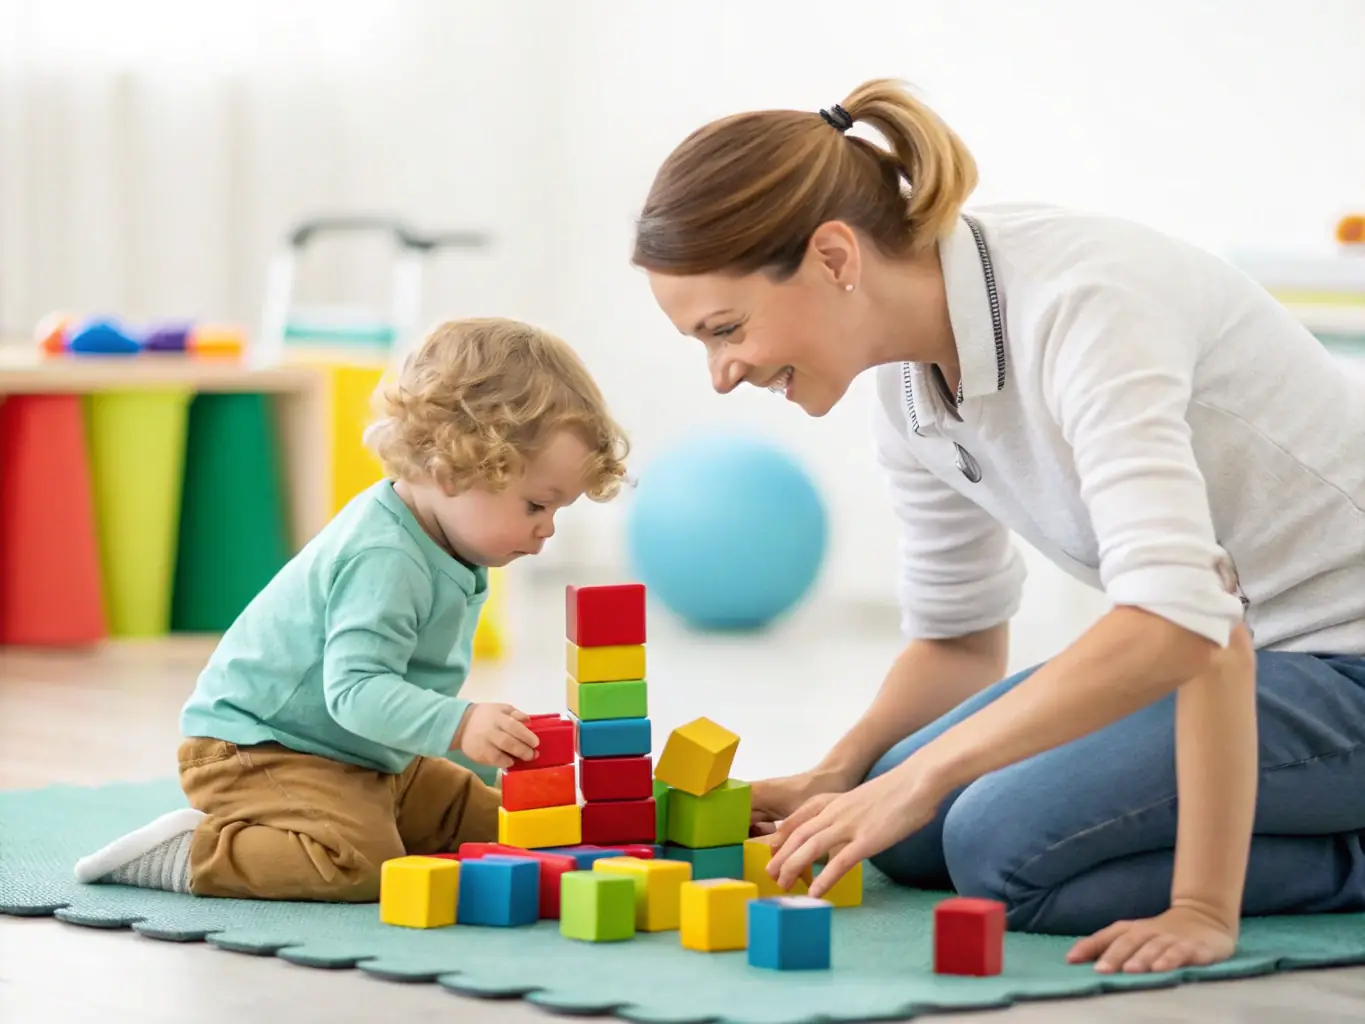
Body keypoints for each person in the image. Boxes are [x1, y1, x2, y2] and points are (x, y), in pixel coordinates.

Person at [632, 78, 1365, 974]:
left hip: (1340, 661)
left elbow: (1179, 622)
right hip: (1228, 657)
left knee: (999, 849)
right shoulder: (907, 387)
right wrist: (843, 770)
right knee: (902, 828)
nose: (721, 374)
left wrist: (1198, 905)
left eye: (726, 329)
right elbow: (959, 641)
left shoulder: (1084, 306)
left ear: (832, 256)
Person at [73, 317, 630, 902]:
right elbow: (356, 692)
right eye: (536, 505)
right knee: (358, 863)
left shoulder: (449, 538)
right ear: (451, 468)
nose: (547, 530)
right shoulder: (385, 557)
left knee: (498, 825)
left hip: (364, 753)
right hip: (261, 750)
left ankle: (360, 814)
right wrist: (461, 724)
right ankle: (192, 852)